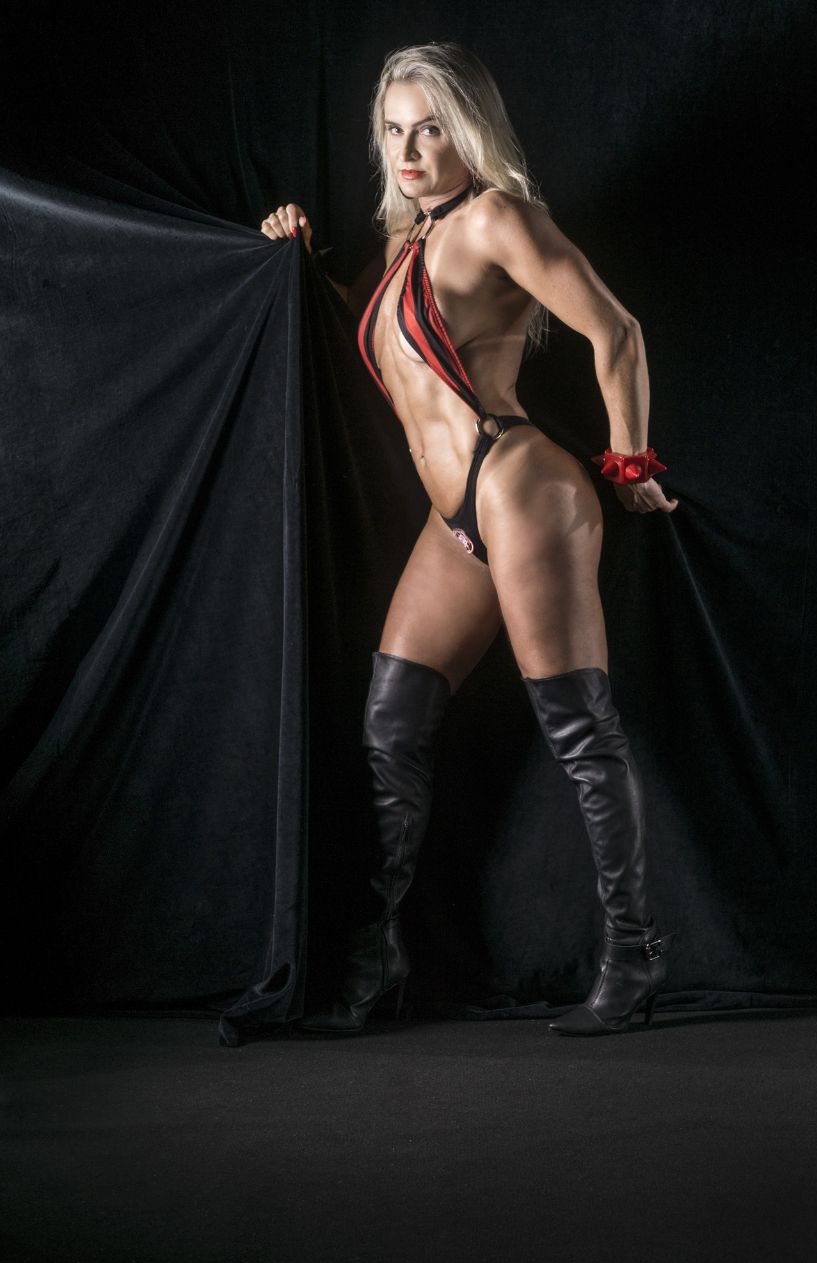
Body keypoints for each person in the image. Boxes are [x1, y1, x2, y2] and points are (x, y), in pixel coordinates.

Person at [261, 42, 678, 1037]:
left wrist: (630, 465)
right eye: (393, 132)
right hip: (456, 516)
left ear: (469, 131)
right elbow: (380, 343)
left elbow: (616, 331)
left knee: (577, 727)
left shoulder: (496, 218)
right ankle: (375, 962)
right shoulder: (405, 241)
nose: (408, 151)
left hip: (520, 483)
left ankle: (634, 956)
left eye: (430, 129)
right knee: (391, 721)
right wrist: (293, 255)